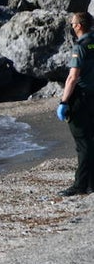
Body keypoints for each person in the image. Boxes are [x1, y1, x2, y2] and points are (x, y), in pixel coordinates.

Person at [57, 11, 94, 196]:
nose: (71, 27)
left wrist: (64, 101)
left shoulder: (80, 47)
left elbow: (72, 77)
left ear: (79, 26)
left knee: (83, 142)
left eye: (72, 24)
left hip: (81, 97)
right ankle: (92, 183)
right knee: (91, 139)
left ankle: (80, 185)